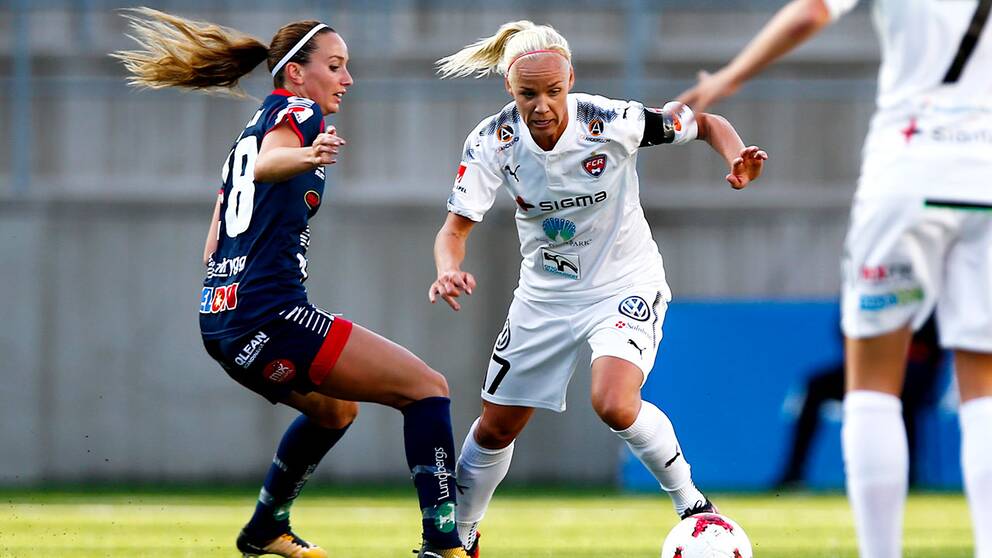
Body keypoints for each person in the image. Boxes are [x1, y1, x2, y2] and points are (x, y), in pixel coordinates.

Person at [114, 8, 470, 558]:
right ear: (297, 73)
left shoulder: (248, 133)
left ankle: (265, 528)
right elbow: (269, 164)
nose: (347, 79)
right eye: (336, 65)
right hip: (270, 316)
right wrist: (308, 153)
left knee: (335, 411)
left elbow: (213, 245)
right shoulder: (298, 111)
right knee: (427, 389)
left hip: (222, 322)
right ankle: (443, 544)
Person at [427, 20, 768, 556]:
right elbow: (454, 230)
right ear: (509, 88)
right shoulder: (492, 140)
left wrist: (736, 156)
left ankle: (694, 506)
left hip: (623, 282)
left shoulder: (612, 121)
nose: (542, 105)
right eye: (528, 94)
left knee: (613, 401)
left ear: (570, 79)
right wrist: (448, 269)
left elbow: (705, 122)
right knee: (495, 429)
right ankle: (456, 541)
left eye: (553, 90)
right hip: (545, 295)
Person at [677, 1, 992, 557]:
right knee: (984, 385)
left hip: (909, 168)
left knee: (871, 381)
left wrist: (729, 77)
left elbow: (812, 11)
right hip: (985, 174)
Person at [779, 315, 943, 489]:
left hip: (910, 368)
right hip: (869, 365)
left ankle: (909, 474)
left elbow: (934, 341)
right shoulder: (862, 298)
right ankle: (793, 474)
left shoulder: (922, 302)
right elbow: (845, 329)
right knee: (816, 387)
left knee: (903, 397)